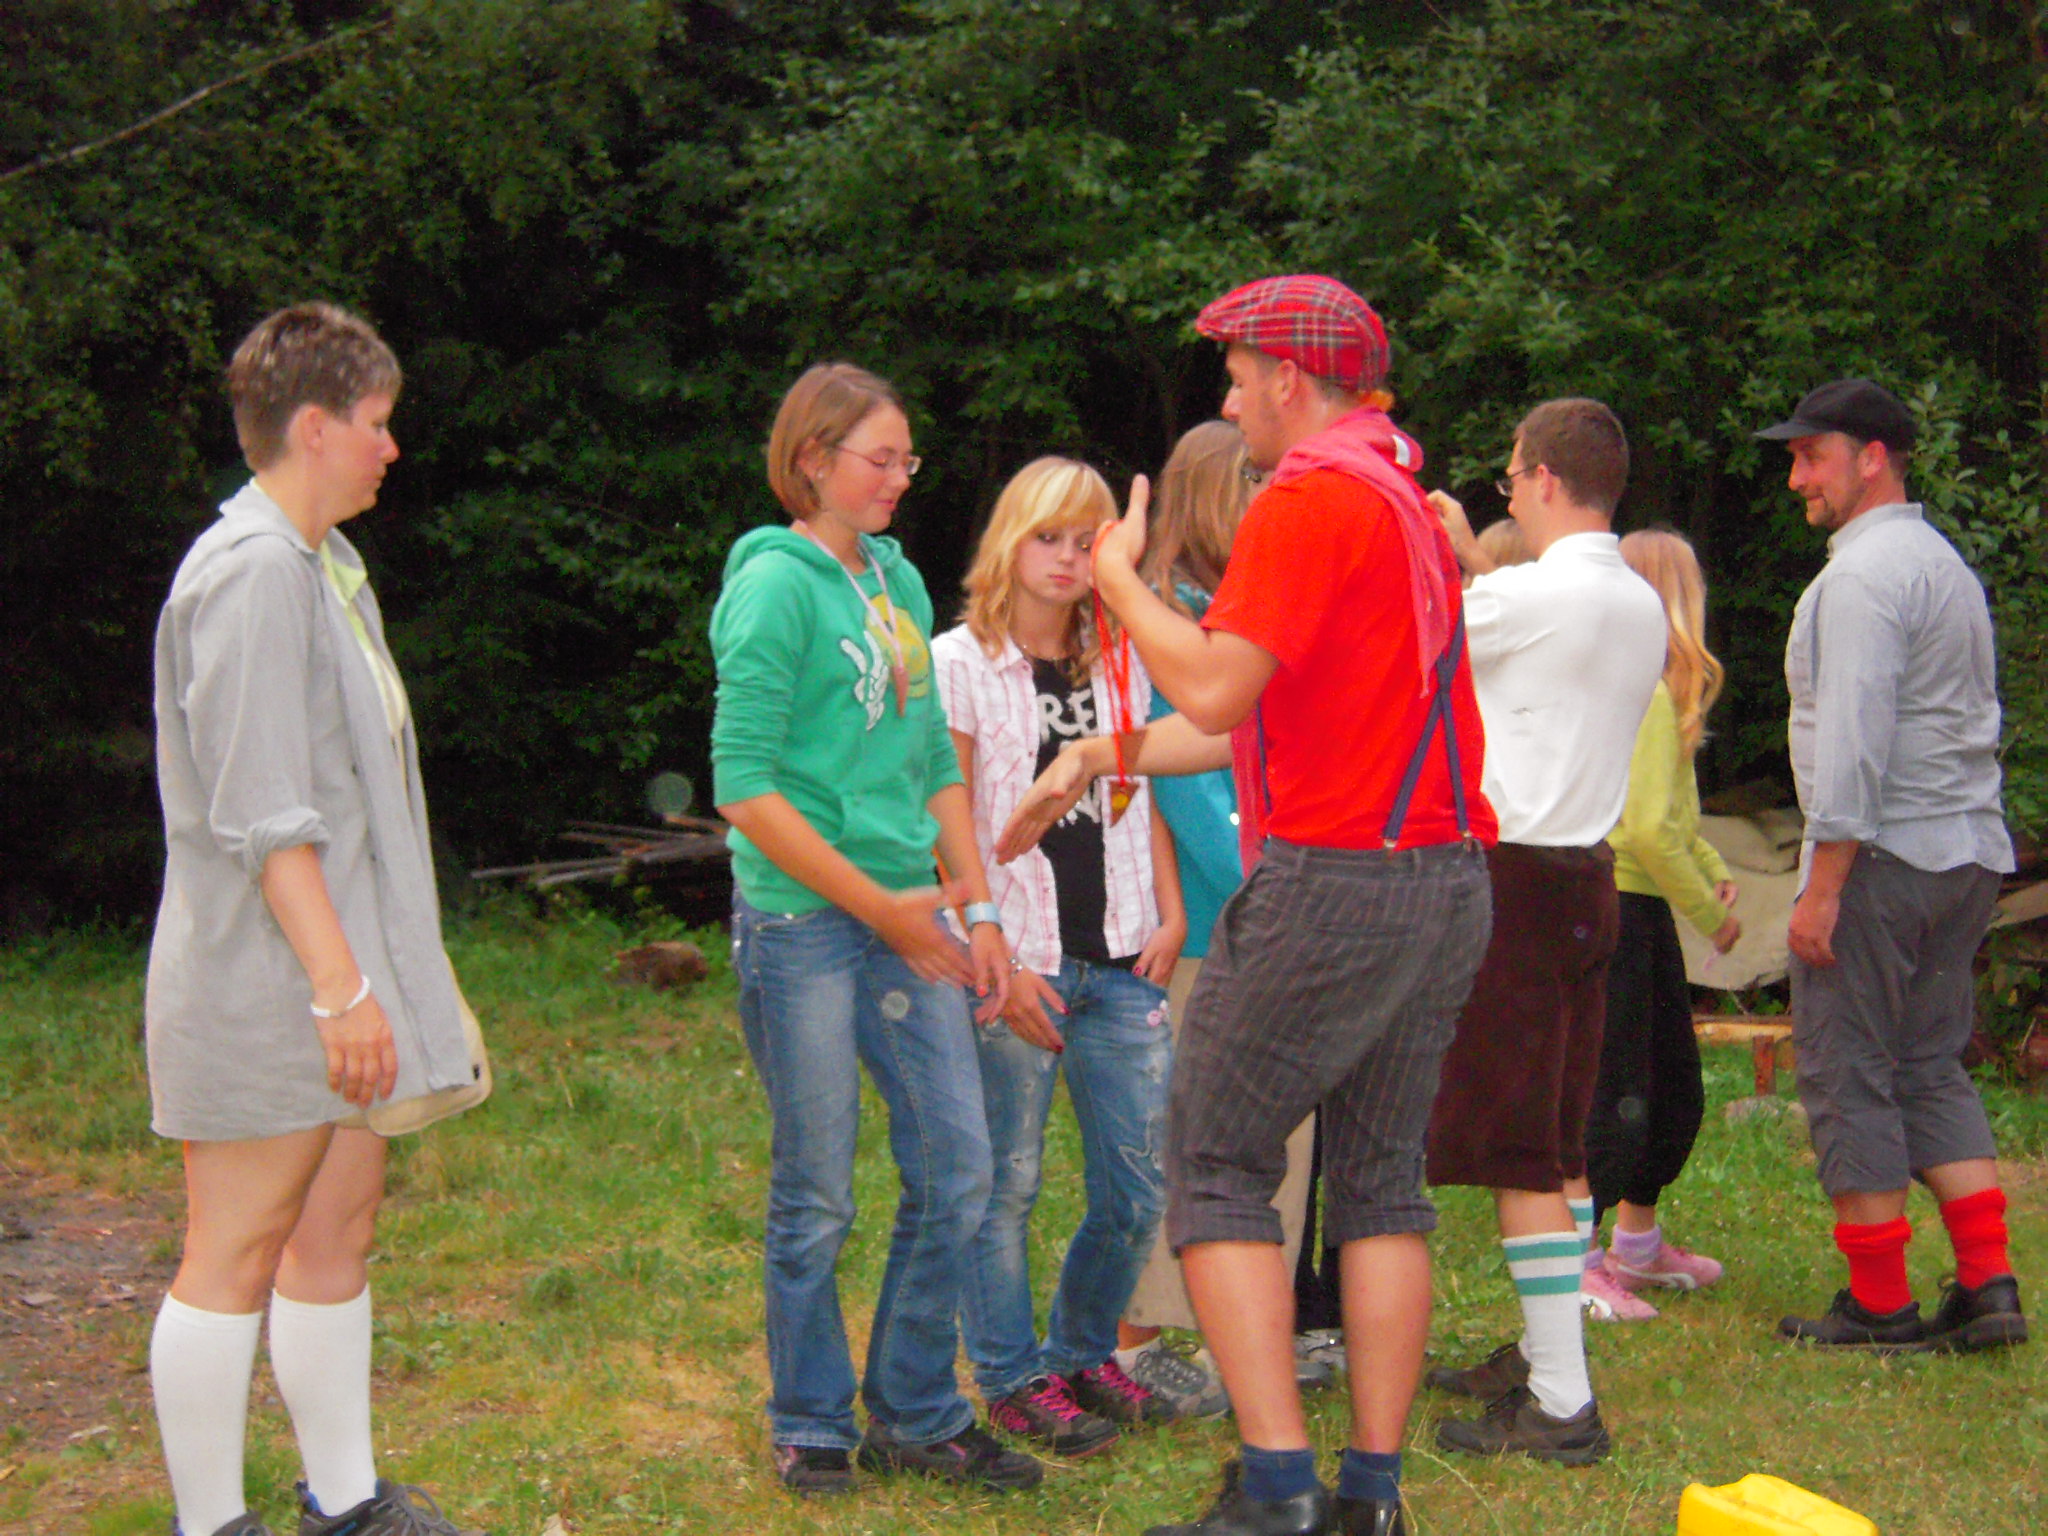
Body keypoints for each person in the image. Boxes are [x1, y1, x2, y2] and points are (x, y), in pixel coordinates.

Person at [1012, 274, 1498, 1536]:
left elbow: (1218, 688)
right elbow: (1264, 717)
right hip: (1441, 877)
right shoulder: (1398, 497)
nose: (1228, 405)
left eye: (1235, 380)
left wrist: (1116, 582)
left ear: (1287, 377)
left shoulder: (1310, 495)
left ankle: (1278, 1491)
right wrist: (1104, 752)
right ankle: (1369, 1499)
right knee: (1380, 1184)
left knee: (1216, 1163)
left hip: (1334, 883)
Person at [145, 303, 479, 1536]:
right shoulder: (249, 578)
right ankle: (208, 1524)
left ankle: (345, 1503)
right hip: (267, 985)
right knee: (233, 1251)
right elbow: (266, 819)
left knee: (334, 1231)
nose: (392, 448)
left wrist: (377, 982)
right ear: (313, 427)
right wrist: (342, 993)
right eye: (378, 424)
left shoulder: (322, 566)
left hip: (342, 977)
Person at [709, 362, 1041, 1497]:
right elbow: (743, 787)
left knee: (958, 1167)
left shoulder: (893, 578)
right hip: (806, 924)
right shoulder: (773, 585)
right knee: (819, 1191)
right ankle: (810, 1418)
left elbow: (930, 757)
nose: (901, 478)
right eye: (880, 459)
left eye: (908, 460)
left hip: (910, 914)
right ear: (813, 460)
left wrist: (977, 903)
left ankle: (913, 1409)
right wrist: (883, 909)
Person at [1757, 378, 2025, 1353]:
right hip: (1963, 853)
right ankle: (1987, 1286)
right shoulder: (1941, 564)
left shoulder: (1863, 578)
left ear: (1871, 457)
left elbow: (1854, 742)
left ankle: (1878, 1304)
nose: (1797, 479)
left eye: (1811, 456)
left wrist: (1822, 886)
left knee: (1845, 1071)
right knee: (1926, 1065)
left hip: (1878, 859)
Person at [1423, 398, 1666, 1464]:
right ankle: (1545, 1351)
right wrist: (1473, 565)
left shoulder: (1528, 595)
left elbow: (1416, 639)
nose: (1508, 493)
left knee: (1520, 1152)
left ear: (1544, 480)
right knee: (1558, 1142)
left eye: (1513, 475)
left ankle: (1561, 1402)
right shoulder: (1637, 601)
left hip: (1514, 878)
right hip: (1586, 877)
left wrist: (1442, 552)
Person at [932, 455, 1186, 1457]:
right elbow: (945, 820)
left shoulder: (1119, 657)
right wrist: (988, 946)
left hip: (1122, 954)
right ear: (1009, 539)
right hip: (1020, 960)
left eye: (1089, 542)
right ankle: (1008, 1377)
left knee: (1138, 1186)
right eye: (1049, 537)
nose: (1069, 559)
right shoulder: (960, 663)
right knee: (1008, 1181)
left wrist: (1168, 910)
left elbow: (1141, 790)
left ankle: (1080, 1353)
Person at [1114, 421, 1326, 1419]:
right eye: (1258, 485)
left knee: (1268, 1138)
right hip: (1219, 923)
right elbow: (1190, 784)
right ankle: (1138, 1342)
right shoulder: (1171, 618)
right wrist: (1270, 890)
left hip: (1273, 907)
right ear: (1215, 493)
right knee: (1198, 1135)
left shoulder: (1237, 611)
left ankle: (1244, 1334)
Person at [1582, 529, 1742, 1316]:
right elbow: (1644, 832)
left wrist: (1710, 867)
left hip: (1641, 909)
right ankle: (1578, 1260)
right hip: (1622, 909)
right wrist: (1710, 915)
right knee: (1616, 1085)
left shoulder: (1657, 696)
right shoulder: (1644, 696)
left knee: (1670, 1082)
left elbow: (1672, 818)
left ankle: (1637, 1247)